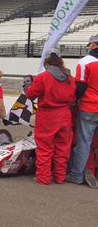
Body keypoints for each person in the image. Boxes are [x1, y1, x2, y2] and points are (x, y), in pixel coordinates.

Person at [26, 49, 76, 185]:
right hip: (65, 115)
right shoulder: (70, 78)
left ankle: (43, 178)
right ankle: (60, 177)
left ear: (46, 61)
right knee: (63, 148)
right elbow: (73, 97)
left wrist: (27, 84)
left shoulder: (43, 77)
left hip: (47, 115)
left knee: (44, 148)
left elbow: (30, 94)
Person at [67, 34, 98, 186]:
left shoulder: (85, 62)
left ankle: (76, 175)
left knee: (83, 143)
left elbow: (80, 86)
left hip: (89, 107)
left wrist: (73, 100)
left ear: (93, 45)